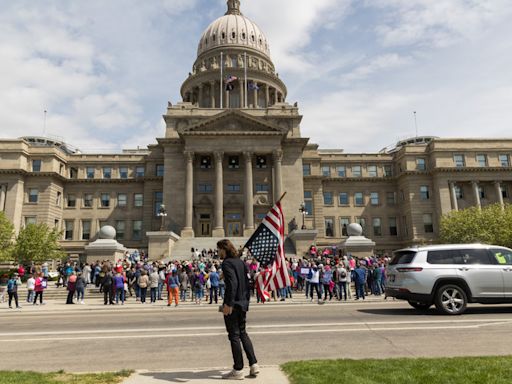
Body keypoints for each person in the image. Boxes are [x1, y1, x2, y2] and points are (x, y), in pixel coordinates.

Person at [218, 239, 259, 380]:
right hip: (243, 302)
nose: (218, 252)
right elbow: (247, 282)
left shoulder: (227, 263)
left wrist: (228, 304)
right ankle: (253, 364)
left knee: (234, 336)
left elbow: (233, 283)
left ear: (224, 249)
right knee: (243, 333)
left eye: (219, 250)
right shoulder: (241, 263)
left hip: (233, 304)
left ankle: (238, 369)